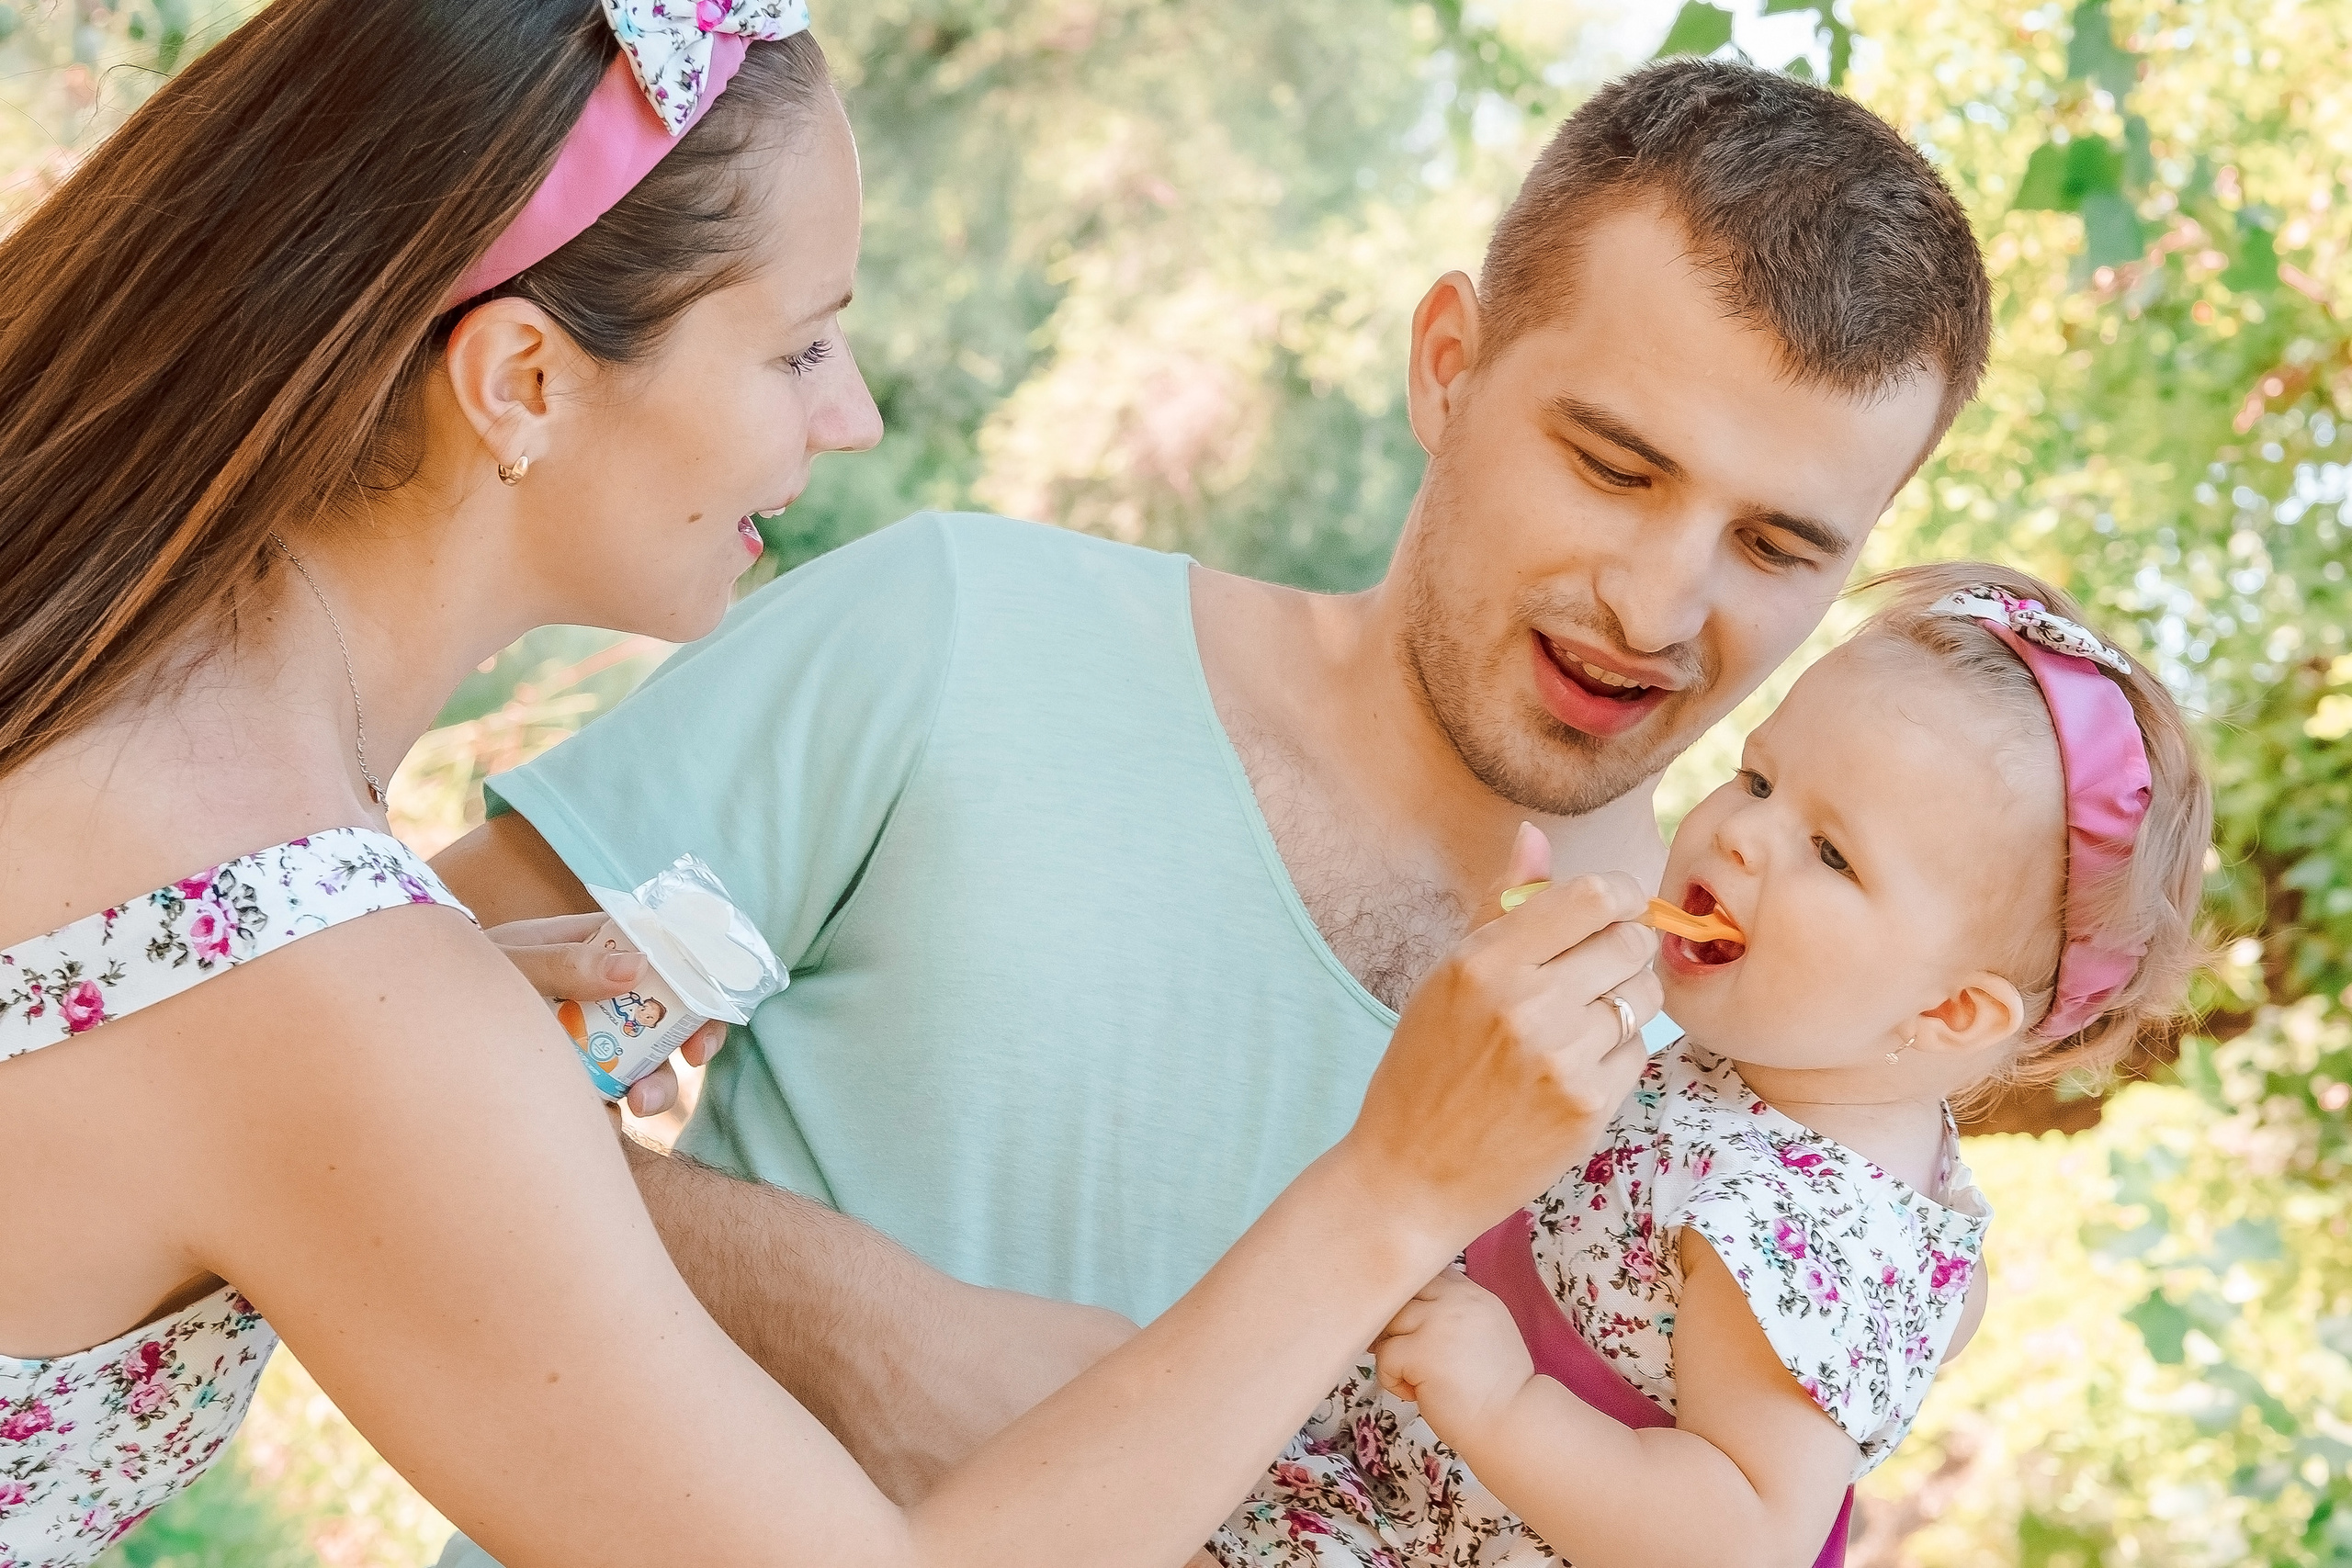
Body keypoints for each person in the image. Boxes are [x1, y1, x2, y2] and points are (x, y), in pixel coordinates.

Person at [0, 5, 1664, 1566]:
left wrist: (449, 1008)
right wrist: (1392, 1193)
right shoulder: (326, 988)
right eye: (798, 348)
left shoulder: (134, 717)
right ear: (522, 382)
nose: (855, 414)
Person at [433, 51, 1998, 1542]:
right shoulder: (963, 629)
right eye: (1611, 463)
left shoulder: (1753, 1097)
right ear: (1447, 366)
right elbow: (326, 1039)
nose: (1660, 605)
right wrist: (845, 1323)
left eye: (1780, 547)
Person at [1206, 564, 2211, 1568]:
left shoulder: (1811, 1229)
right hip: (1366, 1473)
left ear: (1947, 1010)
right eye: (1759, 780)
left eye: (1830, 854)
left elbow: (1742, 1537)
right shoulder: (1775, 1075)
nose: (1740, 836)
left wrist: (1501, 1403)